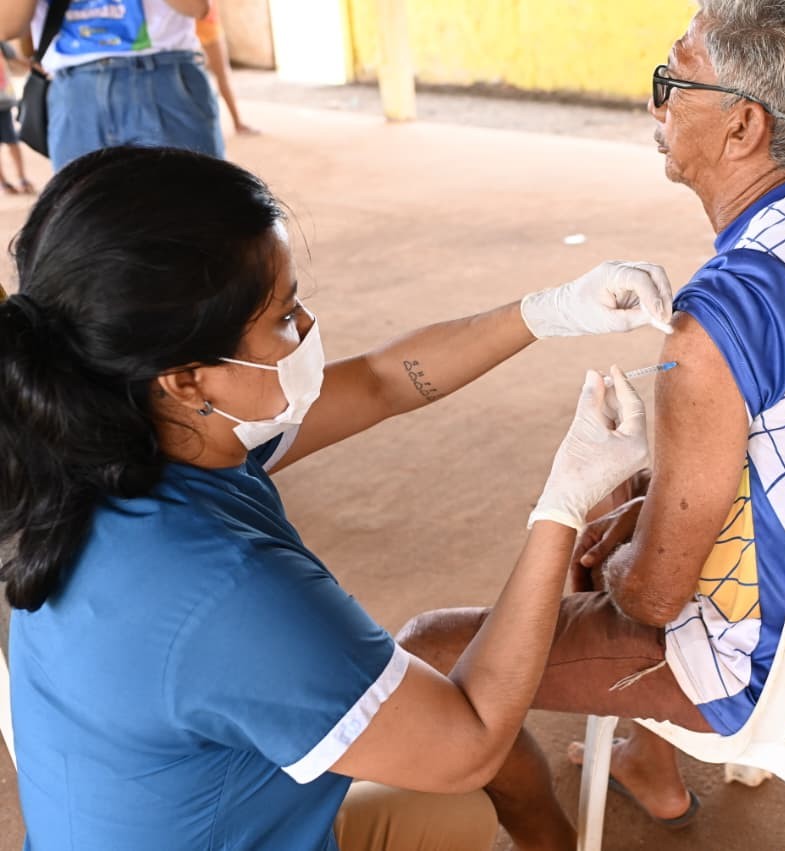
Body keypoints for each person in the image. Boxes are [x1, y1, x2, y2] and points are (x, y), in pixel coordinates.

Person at [0, 145, 675, 849]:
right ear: (191, 378)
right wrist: (562, 507)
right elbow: (468, 736)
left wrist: (551, 311)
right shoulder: (218, 589)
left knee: (476, 794)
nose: (309, 332)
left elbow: (385, 380)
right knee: (475, 760)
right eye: (284, 319)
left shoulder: (118, 438)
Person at [402, 1, 785, 847]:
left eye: (672, 83)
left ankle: (555, 827)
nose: (655, 107)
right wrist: (638, 508)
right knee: (627, 496)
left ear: (742, 126)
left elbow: (657, 594)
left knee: (434, 651)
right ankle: (648, 762)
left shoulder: (717, 319)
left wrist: (615, 547)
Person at [0, 1, 223, 170]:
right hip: (75, 90)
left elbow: (197, 7)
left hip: (162, 77)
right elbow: (7, 26)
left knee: (192, 214)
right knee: (85, 222)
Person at [196, 0, 257, 135]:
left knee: (222, 74)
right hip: (189, 27)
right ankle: (233, 124)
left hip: (207, 23)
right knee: (197, 79)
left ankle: (237, 123)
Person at [0, 40, 35, 193]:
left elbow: (15, 59)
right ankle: (4, 183)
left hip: (3, 102)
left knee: (12, 140)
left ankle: (22, 178)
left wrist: (36, 66)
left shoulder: (1, 44)